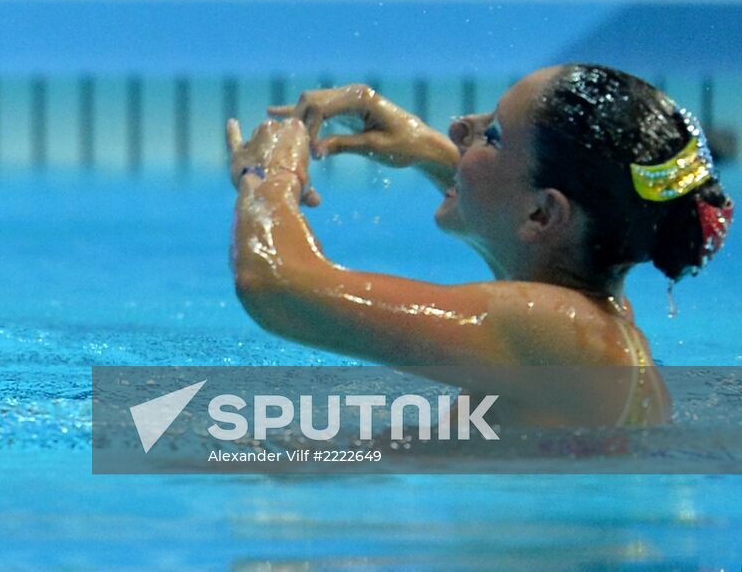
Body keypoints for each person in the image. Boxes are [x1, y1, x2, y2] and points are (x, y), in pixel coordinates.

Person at [225, 64, 732, 428]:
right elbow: (530, 237)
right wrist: (429, 150)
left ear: (541, 213)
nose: (458, 127)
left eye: (491, 134)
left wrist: (268, 175)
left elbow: (277, 285)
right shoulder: (593, 322)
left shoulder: (558, 329)